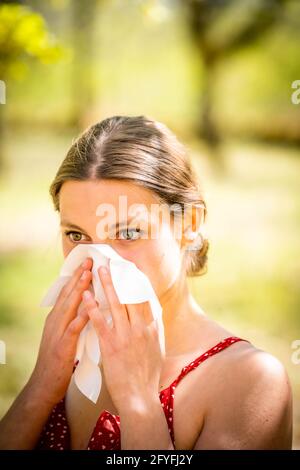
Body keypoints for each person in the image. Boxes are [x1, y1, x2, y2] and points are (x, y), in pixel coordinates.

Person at [0, 115, 293, 450]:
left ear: (189, 223)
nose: (100, 264)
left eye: (127, 233)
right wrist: (40, 387)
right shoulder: (70, 359)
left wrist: (140, 403)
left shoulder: (249, 381)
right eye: (76, 235)